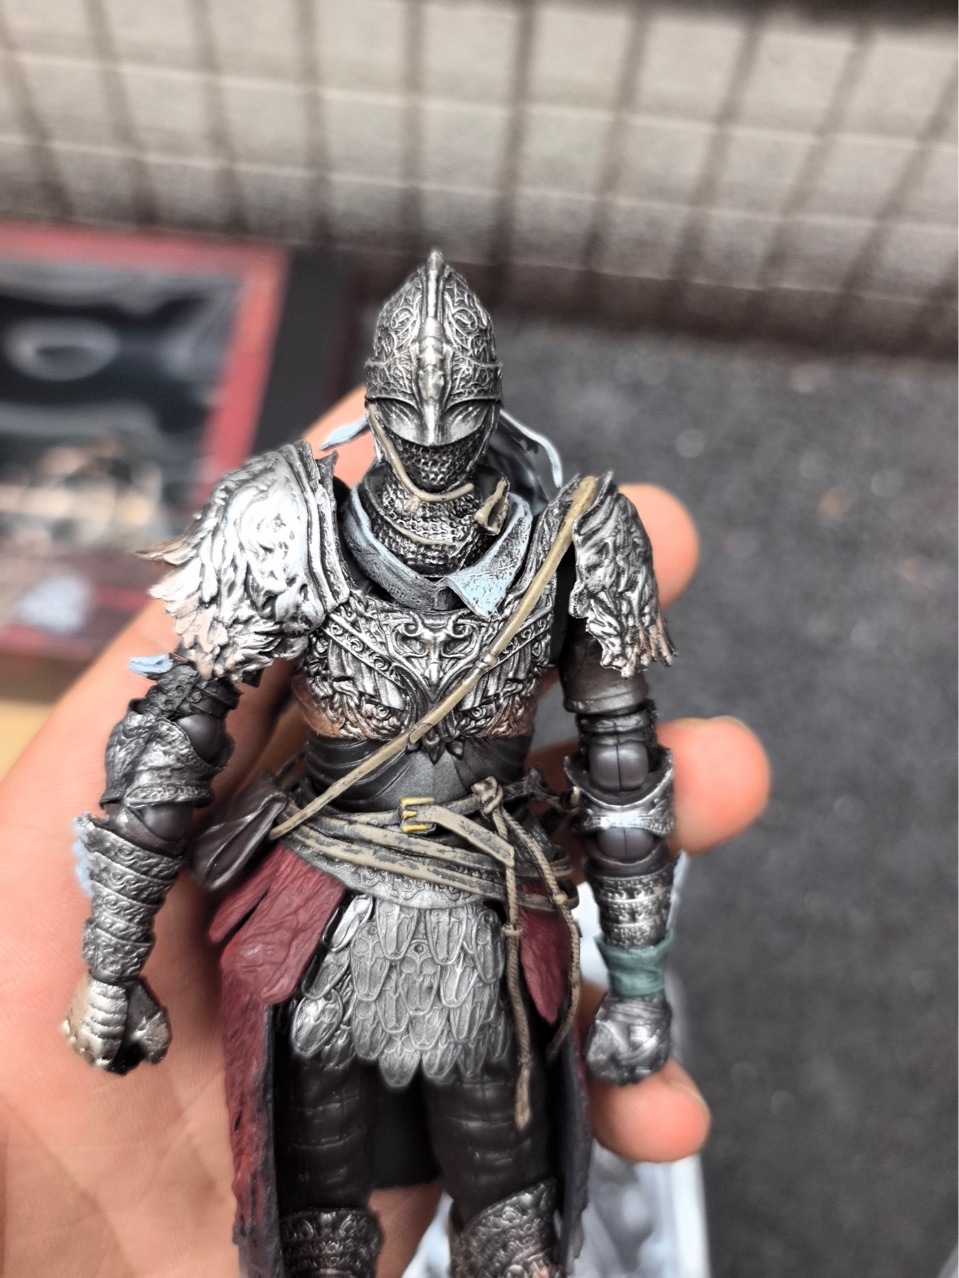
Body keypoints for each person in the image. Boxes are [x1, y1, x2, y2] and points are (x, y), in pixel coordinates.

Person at [0, 256, 770, 1278]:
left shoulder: (576, 541)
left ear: (492, 403)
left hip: (488, 898)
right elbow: (175, 733)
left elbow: (621, 771)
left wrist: (634, 986)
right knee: (311, 1211)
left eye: (461, 413)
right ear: (378, 406)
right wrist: (110, 961)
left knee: (513, 1216)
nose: (437, 438)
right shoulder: (284, 520)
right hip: (315, 900)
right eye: (410, 414)